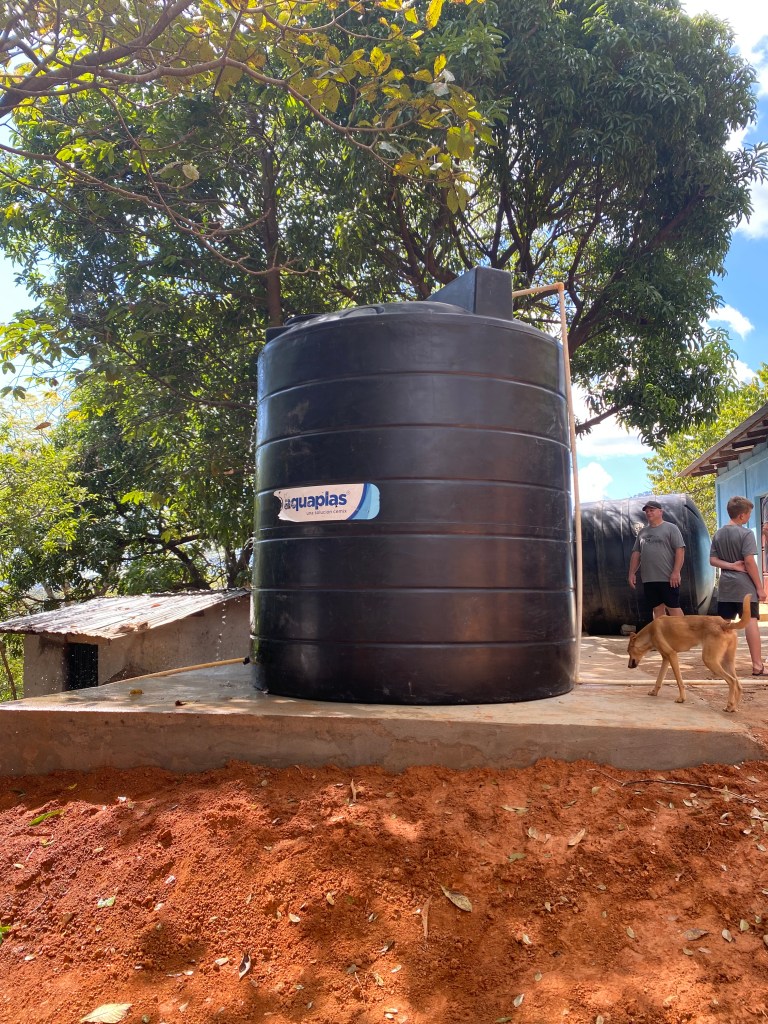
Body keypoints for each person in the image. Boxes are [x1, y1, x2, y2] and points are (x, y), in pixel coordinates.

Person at [709, 495, 766, 676]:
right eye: (748, 514)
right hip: (744, 587)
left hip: (725, 587)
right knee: (750, 622)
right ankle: (757, 666)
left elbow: (712, 560)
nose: (749, 517)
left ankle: (720, 667)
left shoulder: (718, 534)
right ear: (742, 515)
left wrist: (730, 566)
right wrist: (760, 588)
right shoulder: (746, 534)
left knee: (723, 625)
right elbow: (749, 562)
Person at [628, 499, 686, 620]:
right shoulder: (642, 533)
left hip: (667, 578)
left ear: (660, 512)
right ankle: (661, 632)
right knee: (657, 609)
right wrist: (632, 573)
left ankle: (682, 631)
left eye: (652, 510)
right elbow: (636, 553)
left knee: (673, 607)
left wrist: (676, 572)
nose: (649, 513)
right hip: (649, 579)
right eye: (647, 511)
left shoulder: (671, 528)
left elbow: (680, 550)